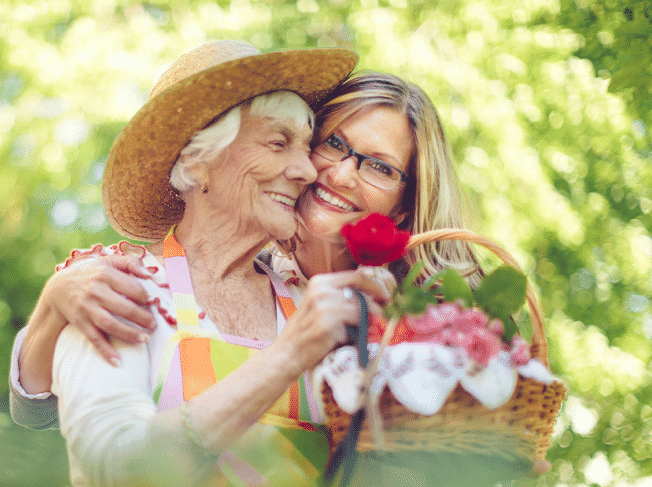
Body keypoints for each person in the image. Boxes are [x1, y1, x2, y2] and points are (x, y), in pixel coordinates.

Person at [10, 68, 483, 484]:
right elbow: (108, 465)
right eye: (328, 144)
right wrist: (53, 307)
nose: (315, 172)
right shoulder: (124, 285)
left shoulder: (352, 314)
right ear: (200, 158)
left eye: (380, 166)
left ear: (405, 206)